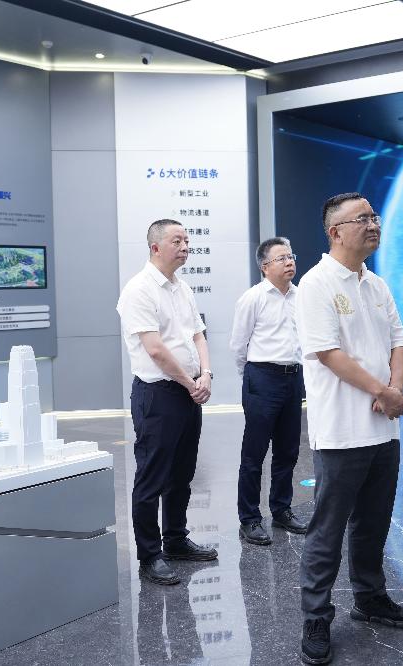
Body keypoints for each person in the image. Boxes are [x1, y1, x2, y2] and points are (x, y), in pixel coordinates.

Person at [296, 193, 403, 665]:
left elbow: (398, 341)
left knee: (373, 523)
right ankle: (316, 617)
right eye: (361, 219)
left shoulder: (376, 284)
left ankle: (370, 598)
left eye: (374, 216)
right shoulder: (316, 283)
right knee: (327, 530)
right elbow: (329, 353)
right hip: (342, 431)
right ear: (335, 231)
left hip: (383, 430)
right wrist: (383, 392)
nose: (373, 224)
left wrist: (394, 389)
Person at [116, 219, 218, 586]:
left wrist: (206, 374)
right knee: (152, 477)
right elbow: (155, 350)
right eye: (177, 240)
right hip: (158, 395)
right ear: (155, 247)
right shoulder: (138, 290)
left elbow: (198, 334)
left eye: (187, 239)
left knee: (182, 474)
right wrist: (191, 383)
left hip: (188, 392)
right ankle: (150, 555)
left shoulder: (182, 287)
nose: (186, 246)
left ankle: (175, 539)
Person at [230, 237, 307, 545]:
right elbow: (238, 345)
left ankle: (281, 509)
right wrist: (251, 377)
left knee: (288, 450)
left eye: (291, 256)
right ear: (264, 267)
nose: (289, 262)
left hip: (293, 378)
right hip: (262, 377)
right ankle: (249, 519)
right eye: (281, 258)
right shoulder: (253, 298)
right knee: (254, 453)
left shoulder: (301, 296)